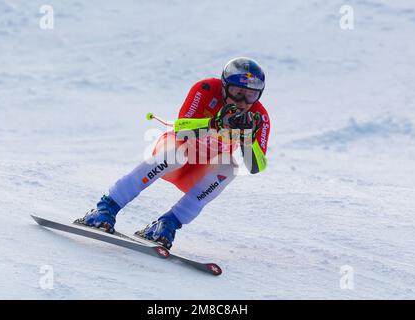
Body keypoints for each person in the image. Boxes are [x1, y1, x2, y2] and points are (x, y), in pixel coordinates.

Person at [76, 57, 271, 249]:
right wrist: (214, 123)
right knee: (178, 153)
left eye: (251, 95)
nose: (243, 101)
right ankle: (106, 208)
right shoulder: (206, 89)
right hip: (174, 158)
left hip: (198, 175)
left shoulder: (259, 116)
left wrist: (247, 138)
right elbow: (181, 130)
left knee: (230, 167)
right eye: (238, 92)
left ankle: (167, 224)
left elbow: (256, 166)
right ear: (224, 86)